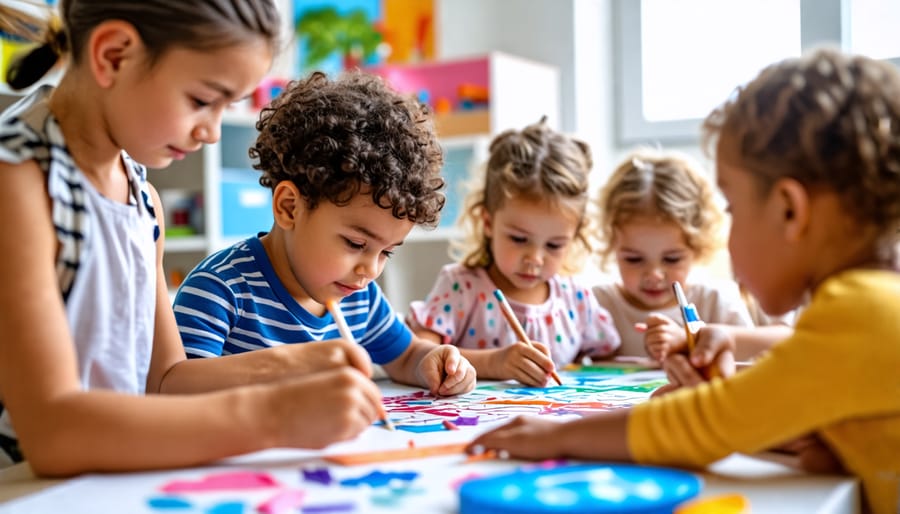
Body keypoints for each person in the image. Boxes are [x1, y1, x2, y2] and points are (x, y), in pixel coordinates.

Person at [469, 46, 900, 514]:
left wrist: (555, 435)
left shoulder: (859, 314)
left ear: (789, 210)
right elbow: (763, 420)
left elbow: (705, 425)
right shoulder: (870, 307)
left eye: (733, 208)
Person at [0, 0, 389, 477]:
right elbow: (53, 433)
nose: (211, 132)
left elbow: (166, 380)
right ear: (114, 56)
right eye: (204, 99)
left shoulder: (141, 199)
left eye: (228, 107)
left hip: (107, 480)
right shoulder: (17, 181)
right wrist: (275, 416)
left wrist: (295, 364)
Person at [172, 71, 476, 398]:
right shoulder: (220, 289)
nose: (371, 270)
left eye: (387, 251)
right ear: (290, 207)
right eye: (356, 243)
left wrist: (432, 362)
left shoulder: (360, 298)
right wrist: (292, 364)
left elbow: (404, 356)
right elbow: (178, 387)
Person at [407, 118, 621, 387]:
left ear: (575, 237)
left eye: (554, 245)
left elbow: (610, 360)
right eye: (519, 239)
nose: (535, 258)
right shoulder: (460, 287)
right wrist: (496, 363)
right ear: (487, 222)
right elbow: (418, 354)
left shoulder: (576, 299)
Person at [592, 149, 754, 359]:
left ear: (697, 245)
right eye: (634, 259)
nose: (654, 275)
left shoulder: (717, 302)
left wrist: (692, 341)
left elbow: (755, 367)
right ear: (612, 243)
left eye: (672, 259)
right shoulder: (596, 304)